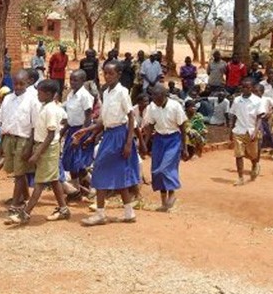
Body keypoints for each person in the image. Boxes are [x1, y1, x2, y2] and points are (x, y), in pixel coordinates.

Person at [77, 63, 140, 225]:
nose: (107, 76)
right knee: (117, 173)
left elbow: (131, 117)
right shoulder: (106, 92)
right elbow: (102, 121)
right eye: (105, 73)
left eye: (111, 73)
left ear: (119, 74)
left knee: (99, 171)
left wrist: (128, 143)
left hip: (119, 135)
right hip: (109, 134)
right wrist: (87, 132)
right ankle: (128, 212)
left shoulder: (122, 92)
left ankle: (100, 213)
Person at [6, 80, 70, 225]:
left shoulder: (51, 110)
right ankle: (63, 209)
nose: (37, 94)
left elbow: (51, 135)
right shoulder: (45, 106)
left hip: (47, 149)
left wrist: (37, 154)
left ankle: (25, 214)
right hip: (44, 147)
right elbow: (64, 120)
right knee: (53, 180)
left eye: (39, 92)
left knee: (40, 182)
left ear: (48, 94)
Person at [0, 70, 40, 215]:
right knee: (15, 170)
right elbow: (2, 121)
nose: (18, 86)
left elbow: (34, 125)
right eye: (15, 83)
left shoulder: (32, 100)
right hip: (9, 138)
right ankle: (24, 196)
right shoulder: (7, 99)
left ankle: (16, 203)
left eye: (22, 83)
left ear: (28, 83)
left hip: (24, 139)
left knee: (20, 172)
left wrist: (30, 145)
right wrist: (2, 143)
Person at [142, 84, 188, 211]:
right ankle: (163, 202)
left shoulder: (175, 106)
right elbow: (150, 126)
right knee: (156, 170)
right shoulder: (152, 107)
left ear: (164, 96)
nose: (155, 101)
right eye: (153, 98)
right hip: (159, 139)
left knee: (166, 168)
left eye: (157, 98)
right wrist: (145, 143)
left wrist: (184, 148)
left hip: (173, 139)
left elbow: (183, 128)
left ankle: (172, 194)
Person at [60, 70, 94, 195]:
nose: (72, 82)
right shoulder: (70, 95)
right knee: (69, 161)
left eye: (76, 80)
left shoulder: (84, 96)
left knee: (78, 163)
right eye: (71, 79)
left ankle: (94, 187)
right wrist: (62, 132)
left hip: (82, 130)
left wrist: (80, 136)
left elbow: (88, 117)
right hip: (72, 129)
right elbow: (70, 117)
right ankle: (76, 191)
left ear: (83, 81)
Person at [229, 78, 265, 185]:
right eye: (243, 87)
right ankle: (240, 177)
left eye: (247, 87)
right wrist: (231, 131)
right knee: (238, 154)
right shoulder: (236, 100)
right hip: (239, 130)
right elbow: (234, 116)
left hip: (251, 130)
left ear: (252, 88)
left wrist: (255, 130)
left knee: (252, 154)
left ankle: (255, 165)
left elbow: (259, 117)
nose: (245, 89)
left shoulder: (257, 101)